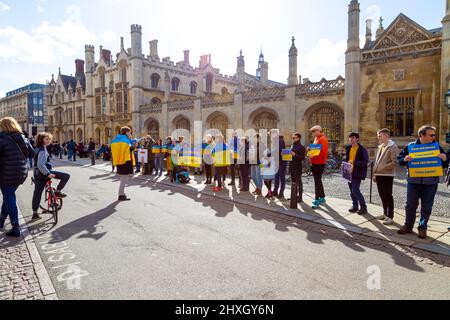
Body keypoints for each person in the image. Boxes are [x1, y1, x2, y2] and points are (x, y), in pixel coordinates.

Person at [397, 125, 448, 239]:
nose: (434, 137)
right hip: (413, 182)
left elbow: (445, 163)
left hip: (430, 184)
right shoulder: (410, 147)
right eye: (431, 135)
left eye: (434, 135)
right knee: (410, 205)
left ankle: (422, 227)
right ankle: (408, 226)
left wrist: (444, 158)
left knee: (426, 207)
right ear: (421, 135)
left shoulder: (436, 147)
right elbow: (400, 159)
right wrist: (404, 159)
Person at [0, 117, 34, 237]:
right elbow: (32, 153)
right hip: (20, 173)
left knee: (9, 197)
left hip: (6, 174)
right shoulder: (23, 137)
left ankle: (15, 227)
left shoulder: (2, 138)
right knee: (8, 196)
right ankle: (1, 220)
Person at [31, 132, 70, 221]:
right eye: (46, 139)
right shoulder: (42, 150)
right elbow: (40, 165)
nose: (49, 141)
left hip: (39, 174)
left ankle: (35, 213)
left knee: (37, 193)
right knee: (66, 176)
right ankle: (57, 192)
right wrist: (48, 174)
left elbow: (36, 165)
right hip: (43, 174)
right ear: (41, 140)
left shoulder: (39, 148)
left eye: (49, 139)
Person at [373, 129, 399, 225]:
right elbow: (377, 161)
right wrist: (375, 174)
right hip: (379, 174)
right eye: (378, 136)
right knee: (382, 195)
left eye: (380, 136)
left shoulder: (393, 146)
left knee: (388, 195)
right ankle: (385, 213)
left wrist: (384, 167)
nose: (378, 137)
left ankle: (390, 216)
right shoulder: (380, 146)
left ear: (386, 136)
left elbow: (395, 161)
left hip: (387, 174)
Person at [344, 132, 369, 215]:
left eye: (353, 137)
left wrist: (354, 162)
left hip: (357, 173)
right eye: (350, 138)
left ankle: (363, 207)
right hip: (349, 172)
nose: (351, 139)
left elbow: (365, 161)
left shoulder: (362, 149)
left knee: (355, 190)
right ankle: (355, 206)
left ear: (357, 139)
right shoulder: (348, 148)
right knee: (351, 191)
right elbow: (347, 159)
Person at [111, 127, 135, 201]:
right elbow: (129, 150)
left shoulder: (116, 140)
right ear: (127, 132)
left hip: (119, 161)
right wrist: (133, 146)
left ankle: (122, 194)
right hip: (125, 161)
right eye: (130, 132)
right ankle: (121, 195)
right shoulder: (125, 140)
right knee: (124, 179)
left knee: (123, 178)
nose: (130, 134)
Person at [308, 126, 329, 209]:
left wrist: (311, 155)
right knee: (318, 181)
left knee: (317, 182)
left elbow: (322, 153)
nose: (312, 133)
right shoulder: (316, 139)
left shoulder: (322, 139)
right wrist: (310, 151)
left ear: (319, 131)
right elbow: (314, 150)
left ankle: (317, 199)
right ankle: (322, 198)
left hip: (319, 163)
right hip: (315, 162)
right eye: (312, 131)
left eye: (313, 131)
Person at [290, 132, 306, 203]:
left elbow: (302, 158)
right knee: (293, 182)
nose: (293, 139)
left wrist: (294, 155)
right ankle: (294, 196)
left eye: (294, 137)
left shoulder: (302, 147)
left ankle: (300, 198)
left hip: (297, 167)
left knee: (299, 182)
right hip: (291, 166)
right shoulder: (292, 146)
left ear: (298, 138)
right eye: (292, 138)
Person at [272, 131, 287, 199]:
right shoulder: (276, 140)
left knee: (282, 178)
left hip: (281, 162)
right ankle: (275, 191)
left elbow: (278, 150)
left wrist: (270, 154)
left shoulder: (280, 140)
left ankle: (281, 193)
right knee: (276, 177)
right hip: (277, 162)